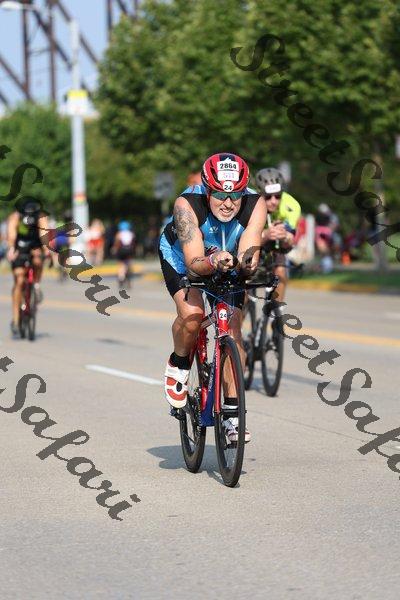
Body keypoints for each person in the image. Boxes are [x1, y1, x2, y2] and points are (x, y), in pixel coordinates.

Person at [159, 152, 267, 443]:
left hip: (226, 258)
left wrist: (246, 263)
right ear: (207, 190)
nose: (228, 203)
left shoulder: (256, 204)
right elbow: (194, 262)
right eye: (220, 194)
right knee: (193, 314)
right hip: (183, 258)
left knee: (233, 327)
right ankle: (179, 363)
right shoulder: (186, 205)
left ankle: (232, 413)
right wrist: (213, 260)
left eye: (236, 195)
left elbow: (250, 248)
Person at [255, 167, 301, 302]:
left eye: (278, 196)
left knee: (280, 272)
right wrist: (265, 235)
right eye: (268, 197)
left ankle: (276, 309)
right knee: (242, 280)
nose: (274, 201)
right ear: (259, 194)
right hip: (255, 240)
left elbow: (290, 241)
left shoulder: (291, 205)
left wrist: (285, 236)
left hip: (276, 243)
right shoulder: (250, 203)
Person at [7, 199, 50, 337]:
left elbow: (44, 234)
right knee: (19, 279)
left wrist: (46, 249)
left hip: (35, 246)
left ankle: (36, 285)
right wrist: (11, 249)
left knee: (38, 260)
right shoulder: (15, 217)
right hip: (20, 247)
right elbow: (11, 235)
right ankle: (16, 319)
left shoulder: (41, 217)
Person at [112, 221, 136, 288]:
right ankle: (128, 277)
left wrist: (114, 249)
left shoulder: (119, 234)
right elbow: (133, 243)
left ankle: (121, 278)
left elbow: (117, 243)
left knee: (121, 265)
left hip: (121, 250)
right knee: (128, 264)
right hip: (129, 250)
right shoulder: (131, 234)